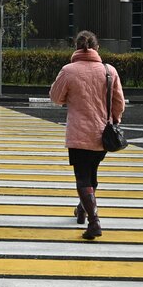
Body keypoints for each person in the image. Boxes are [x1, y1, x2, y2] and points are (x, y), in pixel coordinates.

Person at [49, 30, 125, 240]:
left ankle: (94, 222)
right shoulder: (109, 71)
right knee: (92, 175)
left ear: (76, 47)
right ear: (97, 48)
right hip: (103, 134)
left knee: (83, 178)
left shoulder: (69, 70)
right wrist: (115, 119)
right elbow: (119, 103)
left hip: (78, 135)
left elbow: (55, 97)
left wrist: (69, 98)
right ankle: (82, 209)